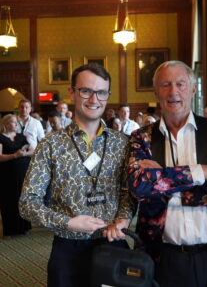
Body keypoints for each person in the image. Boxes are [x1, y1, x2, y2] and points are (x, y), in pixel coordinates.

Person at [128, 61, 207, 286]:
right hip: (165, 256)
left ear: (193, 88)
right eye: (166, 84)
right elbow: (139, 186)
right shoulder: (142, 137)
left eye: (180, 84)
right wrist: (203, 172)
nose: (173, 92)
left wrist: (166, 181)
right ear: (156, 91)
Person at [19, 63, 134, 287]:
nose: (94, 99)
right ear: (72, 92)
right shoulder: (50, 144)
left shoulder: (122, 143)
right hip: (67, 248)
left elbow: (127, 192)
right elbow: (27, 203)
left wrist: (124, 218)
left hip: (112, 243)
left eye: (101, 92)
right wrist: (69, 222)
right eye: (86, 91)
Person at [0, 114, 33, 239]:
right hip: (6, 175)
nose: (15, 125)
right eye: (12, 123)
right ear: (5, 124)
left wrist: (24, 153)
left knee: (22, 200)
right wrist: (15, 155)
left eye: (16, 123)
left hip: (22, 172)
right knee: (8, 201)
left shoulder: (21, 137)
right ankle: (9, 230)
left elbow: (33, 150)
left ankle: (23, 227)